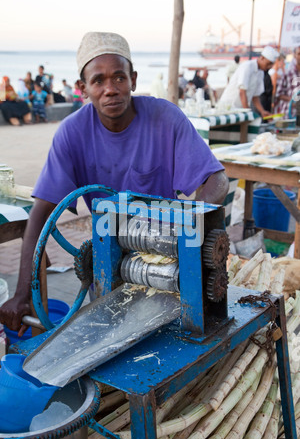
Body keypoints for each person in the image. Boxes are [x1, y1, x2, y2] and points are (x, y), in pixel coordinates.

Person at [0, 31, 229, 335]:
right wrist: (22, 293)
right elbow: (41, 214)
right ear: (83, 88)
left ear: (133, 79)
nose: (110, 89)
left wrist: (187, 232)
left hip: (168, 266)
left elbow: (217, 180)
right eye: (98, 81)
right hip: (110, 270)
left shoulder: (164, 118)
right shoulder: (72, 133)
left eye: (119, 78)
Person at [219, 46, 279, 118]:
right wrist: (247, 113)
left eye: (271, 64)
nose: (270, 67)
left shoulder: (261, 72)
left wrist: (262, 111)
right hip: (229, 107)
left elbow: (255, 96)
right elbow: (242, 92)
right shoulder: (247, 66)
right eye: (268, 64)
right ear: (262, 58)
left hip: (240, 110)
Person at [274, 46, 300, 118]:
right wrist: (293, 102)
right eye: (299, 54)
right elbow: (279, 94)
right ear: (295, 55)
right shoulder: (288, 73)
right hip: (288, 113)